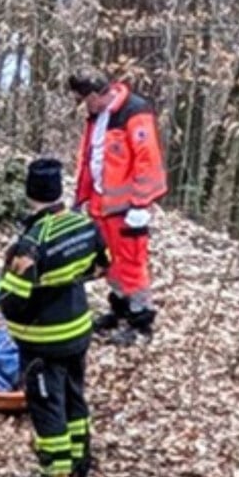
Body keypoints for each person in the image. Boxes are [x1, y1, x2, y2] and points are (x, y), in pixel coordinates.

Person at [0, 158, 110, 477]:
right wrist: (66, 279)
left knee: (47, 405)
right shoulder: (84, 225)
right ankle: (80, 462)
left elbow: (14, 299)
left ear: (29, 193)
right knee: (75, 397)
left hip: (42, 341)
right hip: (77, 329)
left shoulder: (31, 243)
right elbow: (102, 266)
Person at [67, 67, 168, 345]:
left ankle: (140, 320)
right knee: (109, 261)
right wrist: (82, 198)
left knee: (132, 264)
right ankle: (120, 310)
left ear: (98, 95)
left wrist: (140, 204)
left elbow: (148, 160)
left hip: (127, 207)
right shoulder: (98, 115)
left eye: (85, 100)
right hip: (103, 203)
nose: (84, 106)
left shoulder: (134, 112)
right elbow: (92, 157)